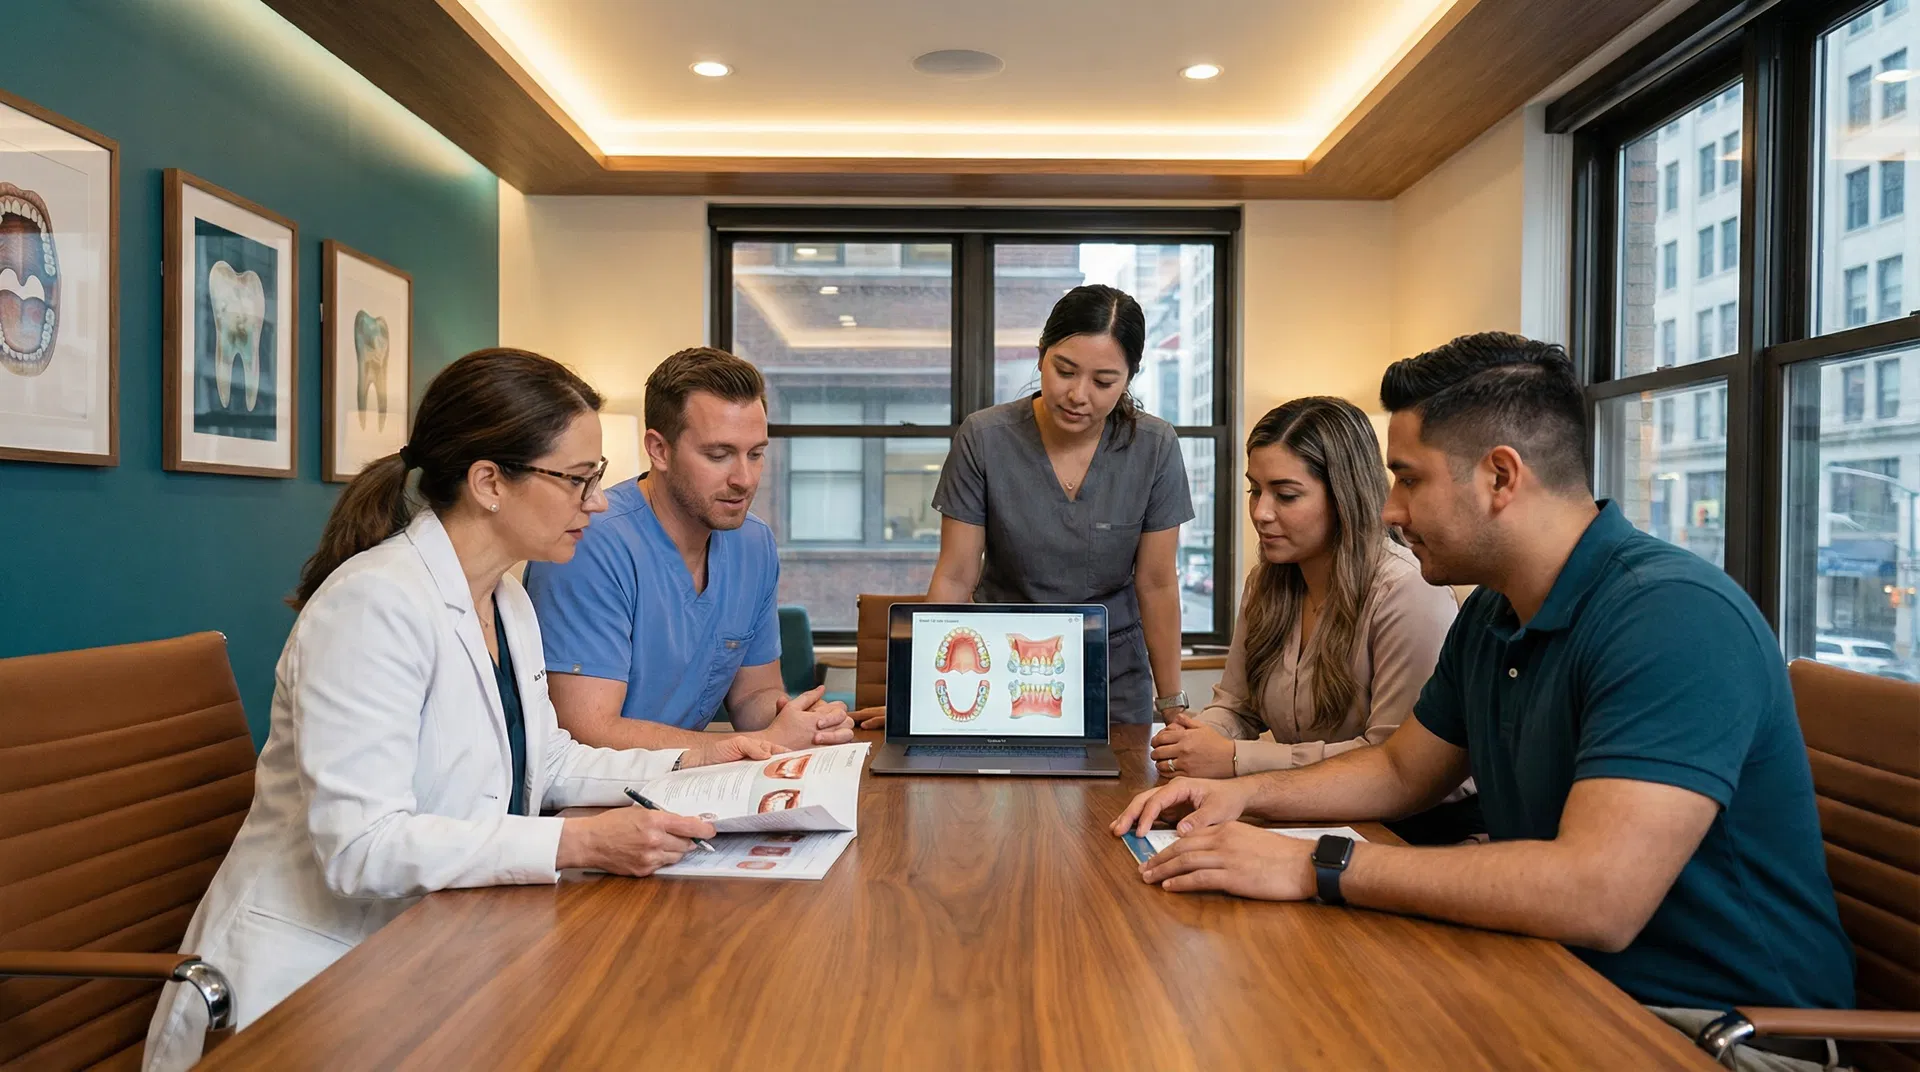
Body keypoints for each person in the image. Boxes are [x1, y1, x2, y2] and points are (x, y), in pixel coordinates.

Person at [1113, 333, 1853, 1072]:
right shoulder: (1493, 614)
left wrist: (1315, 864)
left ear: (1501, 476)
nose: (1390, 510)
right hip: (1559, 978)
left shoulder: (1671, 617)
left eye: (1408, 480)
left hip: (1714, 1031)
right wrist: (1244, 797)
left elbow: (1597, 895)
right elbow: (1401, 771)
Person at [145, 349, 783, 1072]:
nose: (599, 503)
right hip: (312, 987)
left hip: (439, 952)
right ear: (489, 483)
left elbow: (548, 761)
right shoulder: (372, 606)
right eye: (577, 480)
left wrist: (706, 758)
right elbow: (361, 848)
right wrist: (578, 843)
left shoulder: (504, 599)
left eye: (596, 478)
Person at [1147, 397, 1475, 844]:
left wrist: (1235, 759)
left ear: (1344, 497)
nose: (1261, 512)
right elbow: (1237, 705)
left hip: (1413, 830)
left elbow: (1391, 761)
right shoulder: (1266, 583)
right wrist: (1195, 738)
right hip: (1307, 815)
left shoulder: (1408, 591)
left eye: (1286, 495)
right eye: (1255, 490)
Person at [877, 284, 1192, 727]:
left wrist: (1173, 704)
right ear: (1041, 354)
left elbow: (1157, 584)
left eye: (1103, 382)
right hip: (999, 669)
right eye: (1065, 371)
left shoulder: (1154, 446)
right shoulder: (985, 438)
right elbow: (955, 575)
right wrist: (921, 694)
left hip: (1112, 676)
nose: (1078, 395)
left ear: (1129, 377)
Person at [526, 347, 853, 751]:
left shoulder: (754, 543)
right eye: (719, 455)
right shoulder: (588, 543)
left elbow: (754, 695)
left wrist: (801, 722)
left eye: (756, 454)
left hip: (691, 778)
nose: (745, 479)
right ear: (659, 450)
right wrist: (738, 746)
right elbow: (587, 730)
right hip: (599, 785)